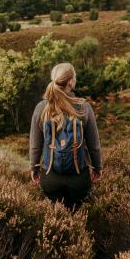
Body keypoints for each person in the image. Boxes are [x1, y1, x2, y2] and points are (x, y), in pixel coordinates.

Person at [29, 62, 102, 209]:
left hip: (50, 175)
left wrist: (34, 168)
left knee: (56, 217)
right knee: (77, 215)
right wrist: (97, 167)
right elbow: (94, 145)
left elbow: (35, 145)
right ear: (70, 82)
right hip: (79, 177)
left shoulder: (41, 108)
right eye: (74, 76)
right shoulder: (84, 107)